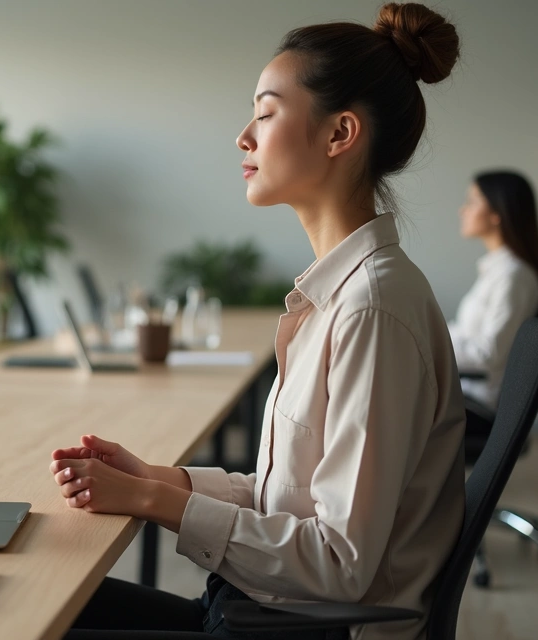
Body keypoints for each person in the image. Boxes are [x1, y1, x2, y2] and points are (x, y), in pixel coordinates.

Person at [50, 4, 465, 639]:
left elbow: (338, 563)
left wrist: (153, 503)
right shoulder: (343, 295)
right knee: (41, 602)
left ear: (338, 134)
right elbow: (291, 498)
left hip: (306, 631)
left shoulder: (372, 310)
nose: (244, 136)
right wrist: (161, 478)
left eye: (267, 112)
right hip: (255, 613)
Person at [450, 171, 538, 411]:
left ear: (497, 212)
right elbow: (467, 333)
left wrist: (429, 347)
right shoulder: (499, 270)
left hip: (477, 400)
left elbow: (488, 354)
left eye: (472, 202)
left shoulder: (512, 275)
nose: (462, 210)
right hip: (467, 389)